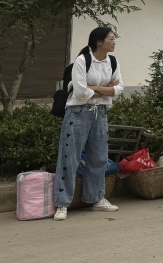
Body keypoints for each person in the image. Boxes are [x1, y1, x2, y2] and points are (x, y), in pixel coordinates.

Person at [52, 27, 122, 221]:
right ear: (99, 42)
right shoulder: (82, 61)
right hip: (77, 113)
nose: (114, 42)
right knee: (69, 157)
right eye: (111, 38)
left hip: (100, 113)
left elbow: (119, 89)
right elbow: (80, 93)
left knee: (99, 158)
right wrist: (106, 90)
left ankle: (96, 198)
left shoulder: (112, 62)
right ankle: (62, 203)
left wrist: (96, 89)